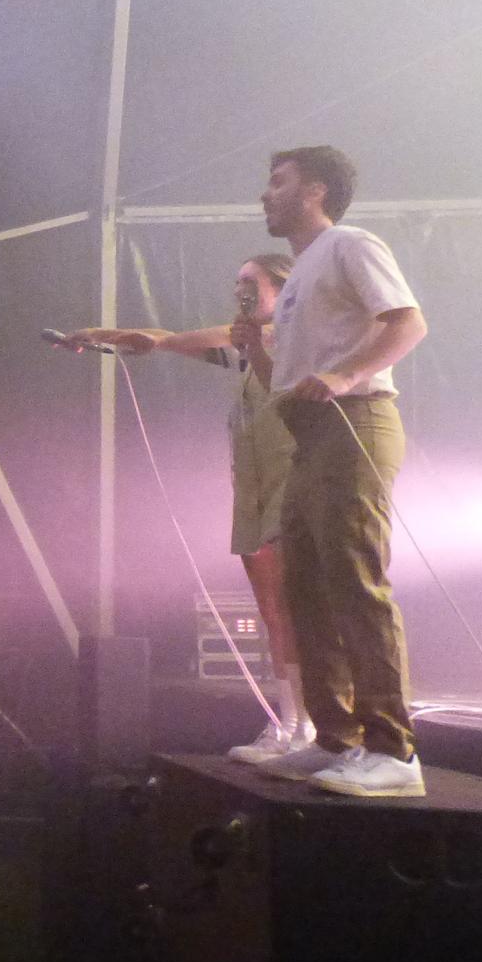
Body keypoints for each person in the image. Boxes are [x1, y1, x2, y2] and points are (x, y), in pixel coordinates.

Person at [67, 252, 312, 760]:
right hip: (253, 487)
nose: (239, 289)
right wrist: (102, 334)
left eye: (251, 282)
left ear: (282, 289)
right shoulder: (245, 350)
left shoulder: (294, 339)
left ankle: (310, 724)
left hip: (291, 484)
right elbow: (176, 342)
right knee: (270, 610)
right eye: (236, 281)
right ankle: (289, 723)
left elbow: (196, 339)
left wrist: (152, 341)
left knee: (294, 607)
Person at [245, 146, 429, 798]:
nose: (265, 194)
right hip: (311, 438)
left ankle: (393, 750)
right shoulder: (298, 275)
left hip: (358, 423)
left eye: (278, 182)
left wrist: (348, 372)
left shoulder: (351, 242)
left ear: (316, 190)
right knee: (307, 587)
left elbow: (408, 322)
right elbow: (293, 372)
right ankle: (335, 739)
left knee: (354, 579)